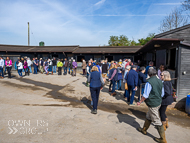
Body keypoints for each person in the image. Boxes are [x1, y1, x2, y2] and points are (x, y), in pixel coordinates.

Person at [137, 68, 167, 143]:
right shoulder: (160, 81)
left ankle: (163, 139)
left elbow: (146, 95)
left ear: (148, 74)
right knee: (149, 116)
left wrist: (140, 101)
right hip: (158, 102)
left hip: (153, 103)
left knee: (156, 120)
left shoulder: (149, 82)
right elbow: (162, 94)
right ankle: (144, 129)